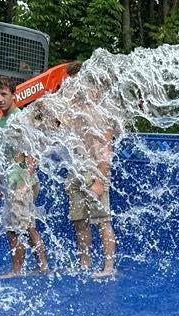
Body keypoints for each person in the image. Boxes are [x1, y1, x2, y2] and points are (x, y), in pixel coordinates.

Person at [63, 61, 119, 278]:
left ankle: (108, 267)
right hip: (76, 170)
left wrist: (100, 179)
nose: (71, 85)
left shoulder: (101, 111)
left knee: (102, 221)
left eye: (75, 81)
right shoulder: (74, 110)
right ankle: (84, 264)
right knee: (79, 221)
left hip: (95, 171)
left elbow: (106, 149)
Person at [0, 77, 48, 278]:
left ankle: (17, 270)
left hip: (21, 182)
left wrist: (25, 182)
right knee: (28, 226)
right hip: (11, 181)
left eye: (4, 94)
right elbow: (3, 153)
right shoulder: (2, 119)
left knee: (13, 229)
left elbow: (32, 153)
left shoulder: (19, 118)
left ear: (14, 95)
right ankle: (43, 266)